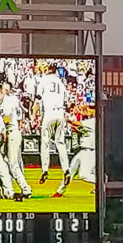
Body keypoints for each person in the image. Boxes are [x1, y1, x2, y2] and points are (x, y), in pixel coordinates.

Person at [36, 63, 71, 196]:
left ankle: (45, 170)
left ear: (48, 70)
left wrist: (35, 113)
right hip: (60, 113)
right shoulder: (61, 83)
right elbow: (66, 101)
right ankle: (66, 169)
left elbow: (38, 98)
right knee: (60, 143)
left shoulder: (44, 80)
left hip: (49, 113)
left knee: (45, 142)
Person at [0, 84, 33, 200]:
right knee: (16, 162)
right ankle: (21, 188)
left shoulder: (7, 101)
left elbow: (7, 119)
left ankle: (25, 188)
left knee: (13, 164)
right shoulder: (14, 100)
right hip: (15, 132)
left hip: (12, 132)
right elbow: (19, 119)